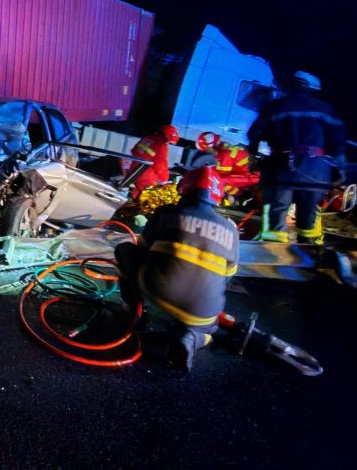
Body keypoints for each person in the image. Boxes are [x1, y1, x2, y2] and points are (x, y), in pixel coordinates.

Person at [114, 166, 239, 371]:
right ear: (217, 196)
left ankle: (136, 312)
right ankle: (192, 336)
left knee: (125, 250)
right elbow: (227, 277)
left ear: (183, 188)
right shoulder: (231, 230)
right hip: (204, 310)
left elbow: (142, 249)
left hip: (158, 289)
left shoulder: (166, 213)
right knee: (207, 330)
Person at [247, 71, 346, 244]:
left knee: (274, 220)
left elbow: (254, 134)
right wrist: (340, 169)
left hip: (280, 170)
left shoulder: (275, 106)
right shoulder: (324, 109)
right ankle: (311, 253)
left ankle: (271, 252)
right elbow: (337, 141)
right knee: (309, 216)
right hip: (314, 172)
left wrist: (254, 158)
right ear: (312, 90)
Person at [124, 124, 180, 197]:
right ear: (167, 137)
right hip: (145, 177)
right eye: (169, 142)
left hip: (134, 171)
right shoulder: (161, 146)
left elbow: (133, 151)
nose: (168, 144)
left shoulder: (147, 138)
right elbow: (161, 166)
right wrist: (165, 180)